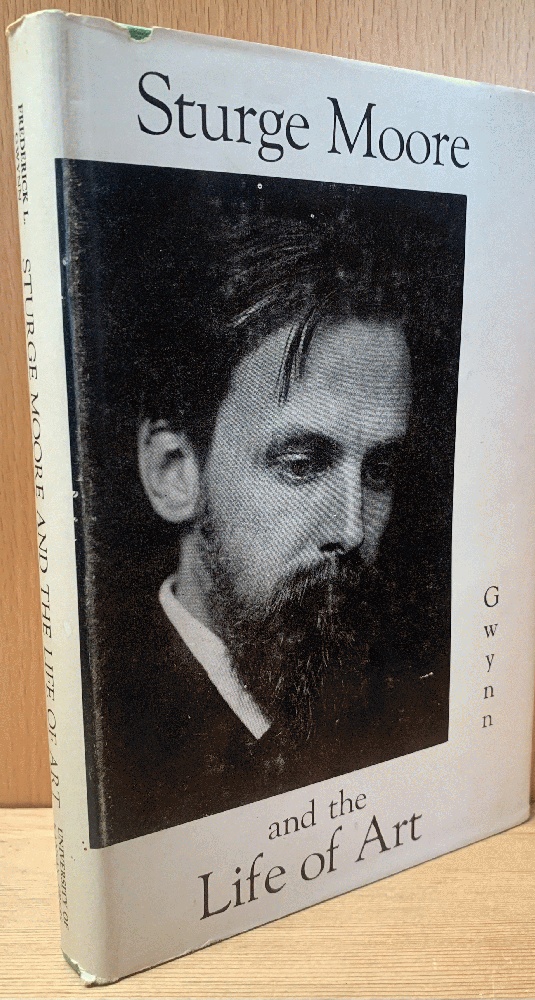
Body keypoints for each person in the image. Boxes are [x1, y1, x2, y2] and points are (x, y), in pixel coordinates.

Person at [97, 211, 450, 845]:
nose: (350, 529)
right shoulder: (113, 740)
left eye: (379, 471)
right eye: (301, 464)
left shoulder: (414, 707)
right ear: (174, 472)